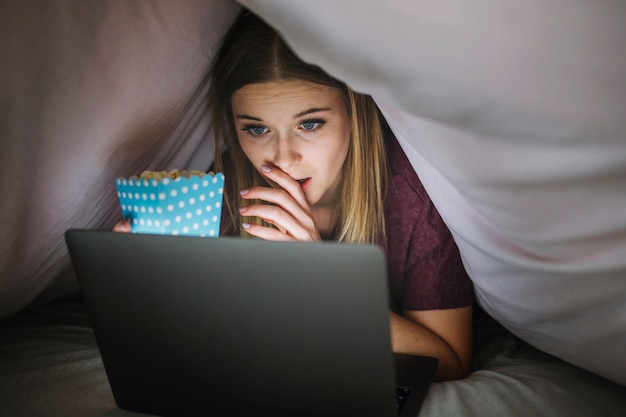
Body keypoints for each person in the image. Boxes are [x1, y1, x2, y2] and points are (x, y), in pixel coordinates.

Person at [115, 9, 474, 381]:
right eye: (256, 129)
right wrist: (139, 287)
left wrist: (322, 282)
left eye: (310, 123)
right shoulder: (221, 193)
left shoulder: (414, 197)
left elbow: (449, 361)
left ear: (355, 113)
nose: (283, 157)